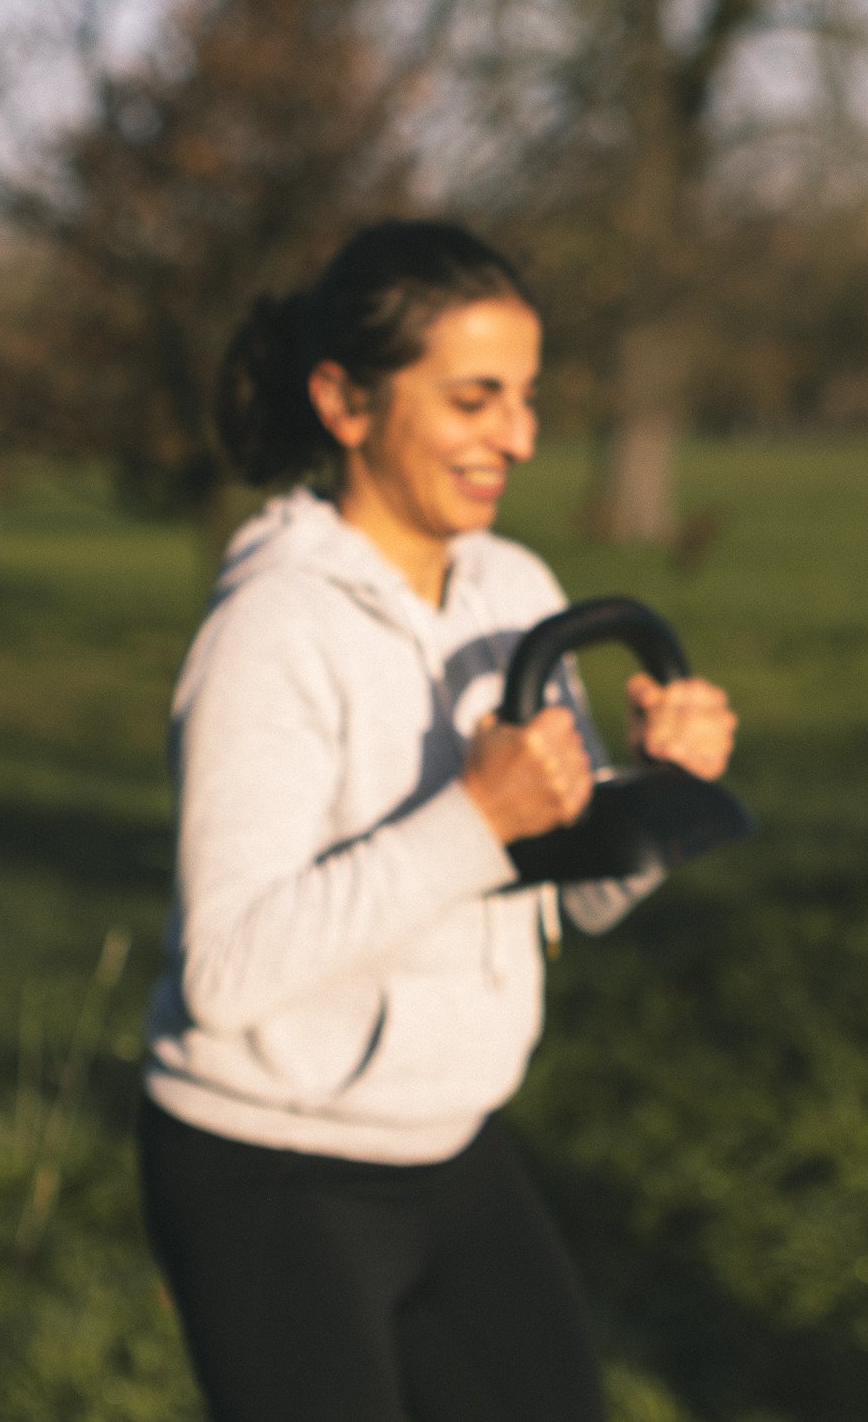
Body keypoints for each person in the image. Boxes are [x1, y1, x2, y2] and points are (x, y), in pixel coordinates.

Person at [136, 220, 737, 1422]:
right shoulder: (273, 626)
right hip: (268, 1163)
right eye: (474, 398)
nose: (517, 435)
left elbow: (566, 888)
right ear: (344, 401)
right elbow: (224, 968)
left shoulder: (514, 587)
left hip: (453, 1135)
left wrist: (653, 794)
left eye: (522, 395)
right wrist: (473, 816)